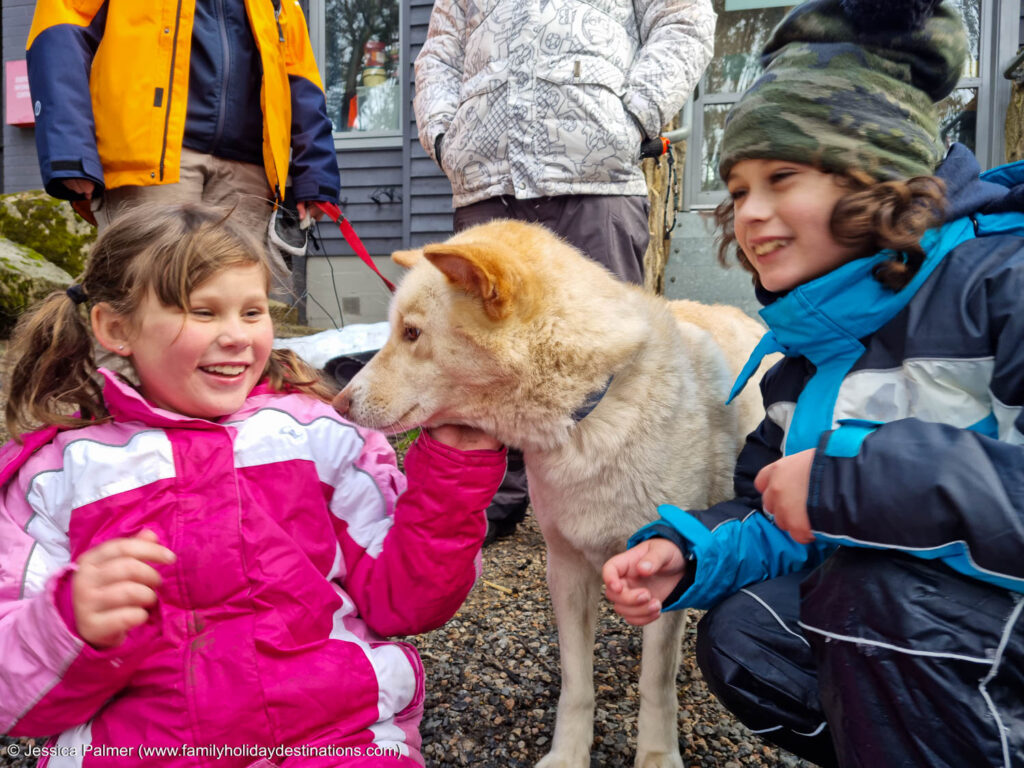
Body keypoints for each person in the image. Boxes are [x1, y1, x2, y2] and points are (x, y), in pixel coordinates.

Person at [602, 1, 1024, 766]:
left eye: (782, 177)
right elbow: (775, 509)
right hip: (940, 635)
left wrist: (846, 481)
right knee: (750, 631)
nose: (751, 215)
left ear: (875, 177)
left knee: (872, 600)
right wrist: (689, 554)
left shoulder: (1001, 283)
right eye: (737, 190)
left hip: (988, 625)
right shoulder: (810, 354)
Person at [0, 204, 505, 766]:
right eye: (204, 312)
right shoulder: (57, 477)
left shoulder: (319, 438)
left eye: (252, 312)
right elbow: (14, 700)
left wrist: (453, 480)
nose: (236, 337)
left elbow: (405, 605)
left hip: (332, 735)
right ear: (117, 329)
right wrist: (67, 623)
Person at [413, 0, 716, 543]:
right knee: (477, 349)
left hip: (595, 177)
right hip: (486, 180)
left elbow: (683, 20)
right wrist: (444, 136)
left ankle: (621, 504)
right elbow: (439, 50)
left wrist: (633, 117)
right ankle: (489, 503)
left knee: (608, 354)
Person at [25, 1, 341, 291]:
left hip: (250, 172)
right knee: (144, 307)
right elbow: (59, 26)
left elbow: (298, 69)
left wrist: (315, 172)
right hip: (149, 157)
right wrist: (70, 150)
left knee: (234, 313)